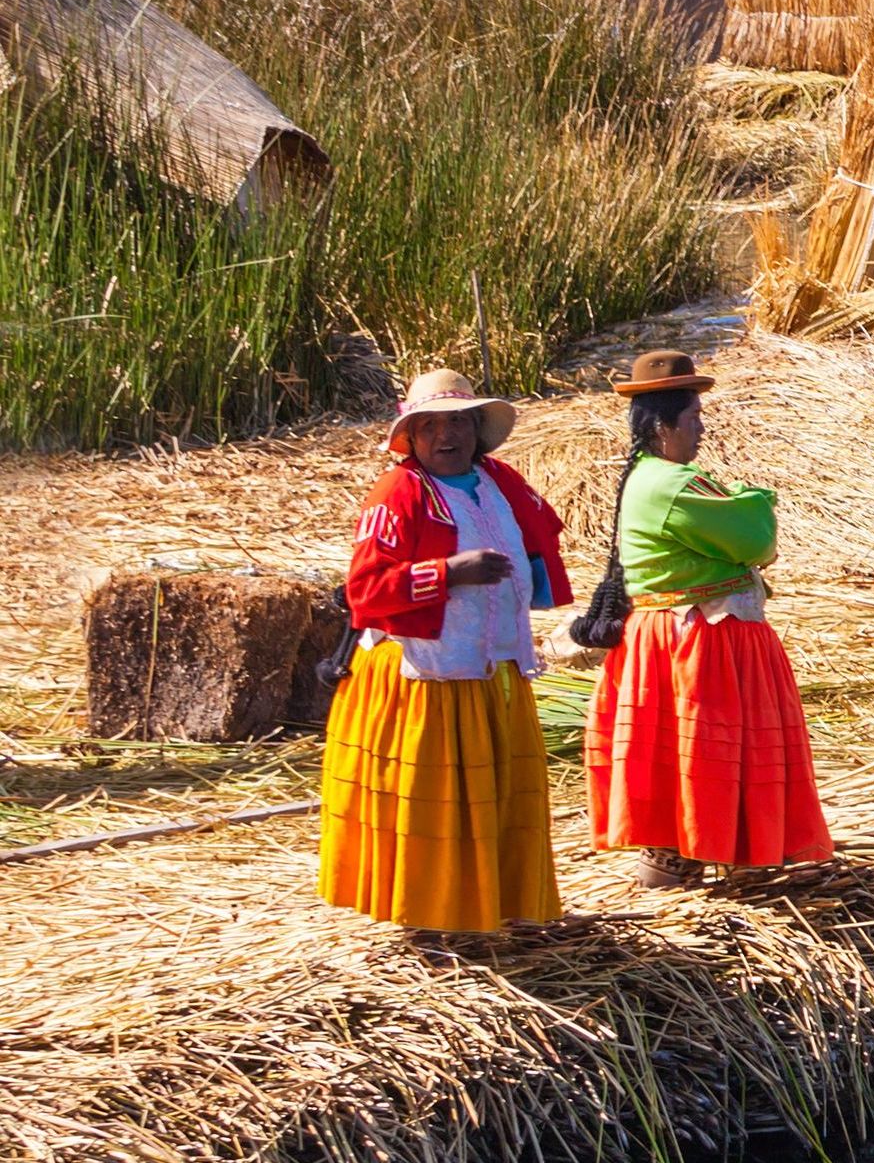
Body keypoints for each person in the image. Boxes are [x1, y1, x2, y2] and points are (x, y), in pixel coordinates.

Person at [321, 369, 572, 933]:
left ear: (478, 429)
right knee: (438, 803)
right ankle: (431, 918)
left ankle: (496, 906)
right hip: (427, 674)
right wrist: (449, 573)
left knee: (497, 797)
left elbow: (539, 549)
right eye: (429, 426)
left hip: (496, 665)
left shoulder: (499, 482)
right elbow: (364, 590)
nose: (445, 436)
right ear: (410, 437)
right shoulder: (400, 492)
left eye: (457, 422)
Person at [584, 350, 831, 886]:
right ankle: (677, 864)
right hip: (694, 643)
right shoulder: (671, 485)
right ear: (662, 424)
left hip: (694, 635)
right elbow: (757, 537)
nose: (701, 428)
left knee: (696, 753)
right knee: (700, 751)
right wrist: (752, 505)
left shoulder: (658, 478)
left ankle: (699, 858)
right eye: (694, 417)